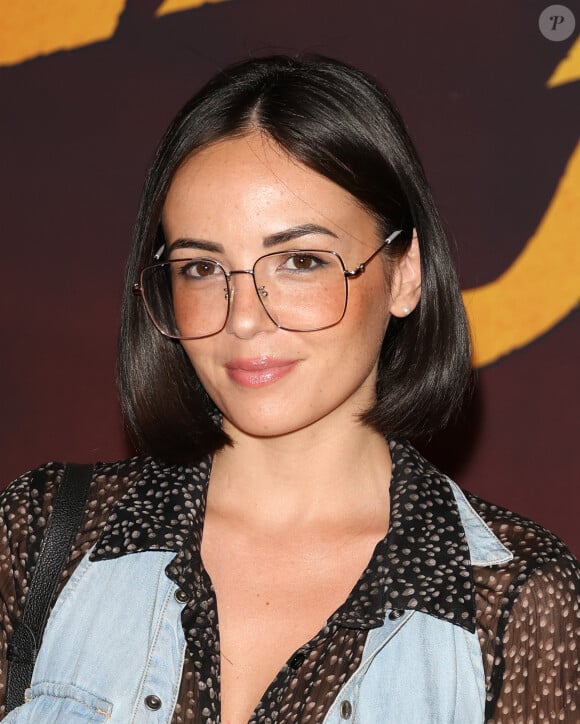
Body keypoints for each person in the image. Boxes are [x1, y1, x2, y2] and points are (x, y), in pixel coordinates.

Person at [0, 55, 578, 724]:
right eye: (201, 266)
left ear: (405, 274)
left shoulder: (509, 600)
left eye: (301, 261)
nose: (243, 316)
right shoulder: (47, 535)